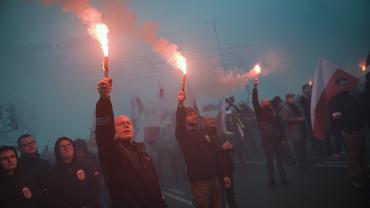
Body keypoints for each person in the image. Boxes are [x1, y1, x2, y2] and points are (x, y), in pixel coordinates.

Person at [95, 77, 166, 208]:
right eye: (121, 124)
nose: (126, 125)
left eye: (129, 123)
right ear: (113, 130)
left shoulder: (142, 152)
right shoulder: (112, 152)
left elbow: (154, 185)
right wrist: (104, 100)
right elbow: (104, 132)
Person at [176, 90, 228, 208]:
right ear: (184, 119)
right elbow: (178, 122)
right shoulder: (183, 136)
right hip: (199, 182)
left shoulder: (204, 132)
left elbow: (215, 155)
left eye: (195, 114)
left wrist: (224, 174)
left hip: (215, 178)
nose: (194, 116)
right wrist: (180, 104)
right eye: (190, 115)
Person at [329, 77, 368, 189]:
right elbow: (337, 119)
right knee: (352, 156)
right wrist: (348, 130)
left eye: (347, 84)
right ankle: (354, 178)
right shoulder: (335, 100)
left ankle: (365, 174)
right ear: (337, 87)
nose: (346, 86)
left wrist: (361, 126)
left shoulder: (351, 97)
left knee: (362, 154)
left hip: (360, 130)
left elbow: (359, 111)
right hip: (350, 132)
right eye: (343, 84)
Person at [252, 80, 290, 188]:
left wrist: (283, 138)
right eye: (264, 101)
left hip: (277, 140)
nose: (266, 101)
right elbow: (254, 101)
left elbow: (280, 126)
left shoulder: (274, 112)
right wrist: (255, 88)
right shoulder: (259, 112)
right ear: (261, 104)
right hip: (267, 141)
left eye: (267, 100)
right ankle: (271, 181)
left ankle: (283, 179)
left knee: (280, 161)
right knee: (269, 162)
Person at [48, 137, 101, 208]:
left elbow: (95, 185)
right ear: (57, 150)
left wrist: (90, 204)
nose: (66, 148)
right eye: (63, 146)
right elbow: (53, 197)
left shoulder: (86, 164)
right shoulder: (53, 172)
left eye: (69, 145)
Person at [203, 116, 238, 208]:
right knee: (220, 197)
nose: (212, 121)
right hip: (217, 170)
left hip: (227, 167)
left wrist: (230, 147)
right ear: (205, 123)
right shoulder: (204, 135)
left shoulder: (220, 132)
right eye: (209, 119)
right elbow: (208, 152)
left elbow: (227, 144)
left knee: (230, 193)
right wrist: (221, 149)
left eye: (213, 119)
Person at [281, 93, 308, 169]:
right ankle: (300, 163)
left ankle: (304, 161)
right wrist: (298, 119)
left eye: (292, 97)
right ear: (287, 99)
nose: (292, 99)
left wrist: (302, 118)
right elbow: (285, 119)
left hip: (300, 129)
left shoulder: (295, 106)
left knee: (303, 147)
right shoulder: (285, 108)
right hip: (294, 130)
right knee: (297, 148)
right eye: (291, 98)